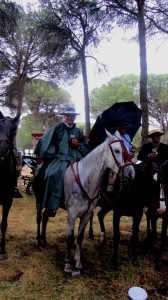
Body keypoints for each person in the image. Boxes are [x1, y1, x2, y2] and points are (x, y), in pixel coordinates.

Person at [33, 107, 90, 216]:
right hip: (59, 159)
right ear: (64, 116)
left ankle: (87, 203)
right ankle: (51, 205)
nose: (70, 117)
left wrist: (78, 145)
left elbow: (85, 147)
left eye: (72, 116)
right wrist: (55, 153)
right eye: (68, 115)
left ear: (74, 117)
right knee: (52, 174)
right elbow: (46, 142)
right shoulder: (57, 128)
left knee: (88, 176)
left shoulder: (78, 131)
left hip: (75, 159)